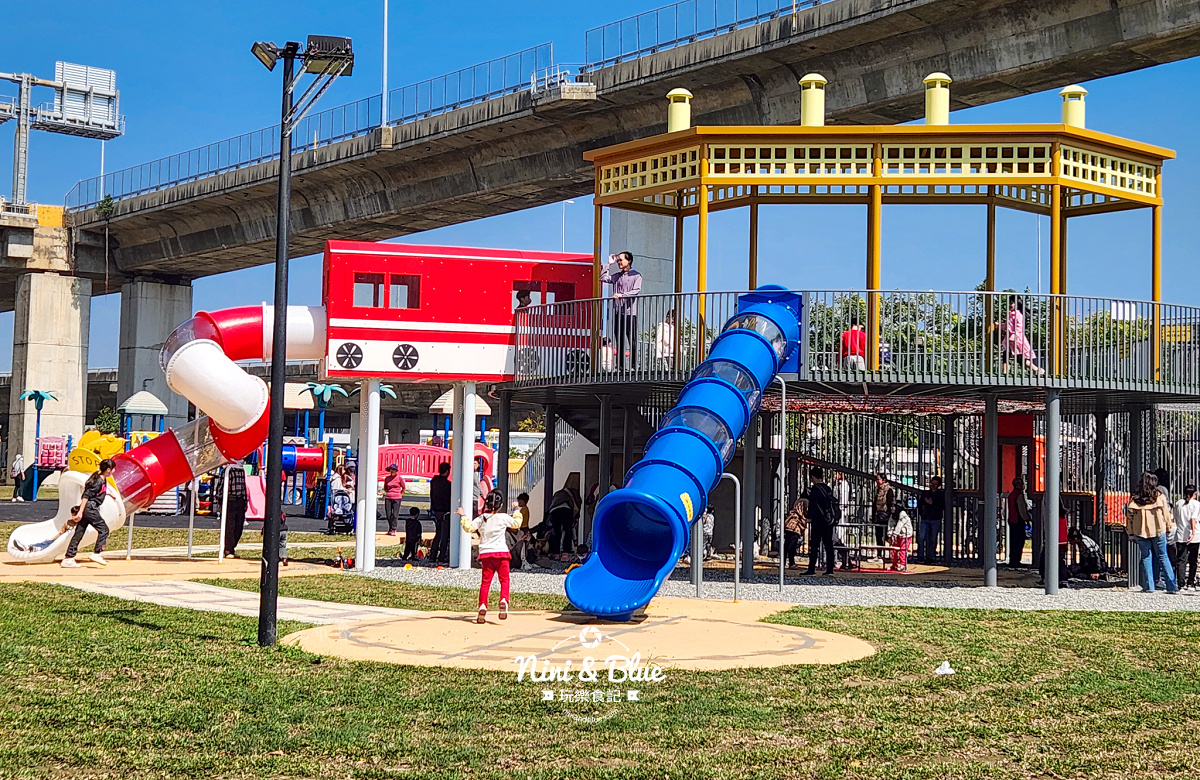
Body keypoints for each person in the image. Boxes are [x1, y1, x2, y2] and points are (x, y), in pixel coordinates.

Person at [459, 490, 523, 623]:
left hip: (486, 555)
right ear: (501, 505)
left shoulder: (481, 519)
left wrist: (463, 515)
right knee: (504, 580)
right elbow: (517, 524)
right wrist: (516, 509)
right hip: (502, 554)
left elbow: (468, 528)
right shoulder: (503, 517)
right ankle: (503, 600)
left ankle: (482, 605)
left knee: (485, 583)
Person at [1125, 471, 1178, 594]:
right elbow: (1166, 514)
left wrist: (1130, 533)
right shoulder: (1159, 497)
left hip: (1140, 531)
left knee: (1146, 557)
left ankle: (1149, 587)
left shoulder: (1135, 499)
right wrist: (1169, 527)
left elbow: (1130, 518)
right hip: (1158, 530)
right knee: (1163, 557)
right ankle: (1171, 586)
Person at [61, 459, 115, 568]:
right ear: (108, 470)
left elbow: (98, 493)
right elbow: (86, 496)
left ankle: (69, 558)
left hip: (89, 507)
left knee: (79, 532)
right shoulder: (98, 481)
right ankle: (97, 553)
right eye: (113, 469)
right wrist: (80, 511)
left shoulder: (102, 480)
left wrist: (108, 495)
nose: (114, 471)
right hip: (90, 508)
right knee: (104, 529)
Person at [600, 251, 642, 369]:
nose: (619, 262)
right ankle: (620, 365)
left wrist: (622, 295)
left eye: (621, 260)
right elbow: (603, 277)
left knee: (631, 338)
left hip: (630, 312)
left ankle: (634, 365)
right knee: (619, 338)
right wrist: (609, 264)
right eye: (618, 260)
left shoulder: (636, 276)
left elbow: (636, 290)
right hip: (619, 312)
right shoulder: (617, 276)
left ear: (628, 261)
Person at [803, 466, 840, 576]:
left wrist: (809, 516)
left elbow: (813, 505)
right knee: (828, 545)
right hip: (828, 521)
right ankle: (829, 569)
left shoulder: (815, 489)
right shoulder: (827, 489)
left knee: (814, 545)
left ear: (813, 476)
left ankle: (811, 569)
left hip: (818, 521)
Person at [1002, 297, 1043, 373]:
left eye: (1012, 303)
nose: (1010, 305)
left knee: (1021, 359)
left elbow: (1019, 326)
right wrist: (1000, 325)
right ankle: (1005, 371)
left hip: (1017, 340)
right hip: (1010, 339)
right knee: (1005, 354)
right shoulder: (1010, 315)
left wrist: (1015, 335)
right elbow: (1007, 326)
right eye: (1009, 303)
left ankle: (1036, 369)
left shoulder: (1018, 315)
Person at [1172, 485, 1200, 589]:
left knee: (1181, 560)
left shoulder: (1179, 503)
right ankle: (1190, 582)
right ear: (1194, 494)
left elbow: (1175, 517)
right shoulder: (1196, 504)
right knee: (1193, 560)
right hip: (1194, 535)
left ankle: (1180, 583)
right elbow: (1193, 518)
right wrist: (1192, 532)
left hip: (1180, 535)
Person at [219, 465, 248, 559]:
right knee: (229, 526)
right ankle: (228, 549)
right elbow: (221, 485)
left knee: (239, 526)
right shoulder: (228, 470)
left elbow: (243, 487)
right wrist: (220, 500)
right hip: (230, 500)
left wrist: (245, 500)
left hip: (240, 500)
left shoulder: (241, 470)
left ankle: (232, 547)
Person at [1038, 504, 1069, 587]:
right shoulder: (1062, 515)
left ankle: (1047, 577)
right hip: (1062, 540)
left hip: (1054, 540)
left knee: (1045, 559)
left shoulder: (1053, 515)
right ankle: (1062, 579)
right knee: (1060, 560)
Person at [917, 475, 945, 563]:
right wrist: (922, 513)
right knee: (921, 538)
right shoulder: (926, 493)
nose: (933, 486)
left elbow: (942, 507)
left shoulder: (940, 495)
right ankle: (920, 556)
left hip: (935, 518)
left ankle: (931, 557)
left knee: (933, 539)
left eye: (935, 484)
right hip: (925, 518)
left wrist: (932, 503)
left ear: (939, 485)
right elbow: (920, 504)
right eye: (932, 483)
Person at [428, 462, 452, 564]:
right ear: (447, 471)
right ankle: (442, 556)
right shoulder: (448, 485)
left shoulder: (434, 481)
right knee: (444, 535)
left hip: (436, 509)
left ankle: (432, 555)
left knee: (438, 534)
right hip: (445, 511)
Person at [546, 482, 578, 558]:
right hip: (566, 510)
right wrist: (574, 517)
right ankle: (566, 553)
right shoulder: (572, 493)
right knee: (568, 531)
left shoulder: (558, 493)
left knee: (556, 532)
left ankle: (556, 553)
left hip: (554, 511)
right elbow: (576, 507)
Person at [1006, 476, 1031, 567]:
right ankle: (1016, 561)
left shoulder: (1011, 495)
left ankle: (1013, 560)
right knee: (1019, 541)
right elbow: (1022, 510)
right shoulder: (1019, 496)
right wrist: (1027, 519)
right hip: (1018, 521)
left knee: (1013, 541)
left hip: (1012, 520)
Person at [784, 496, 808, 569]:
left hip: (789, 525)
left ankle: (783, 562)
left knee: (787, 544)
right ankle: (791, 562)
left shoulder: (797, 503)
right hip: (795, 527)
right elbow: (806, 512)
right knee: (792, 545)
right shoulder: (805, 502)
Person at [871, 473, 895, 548]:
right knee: (878, 535)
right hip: (878, 515)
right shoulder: (878, 490)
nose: (877, 481)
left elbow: (890, 502)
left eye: (879, 479)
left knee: (885, 534)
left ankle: (888, 550)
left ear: (883, 480)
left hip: (885, 515)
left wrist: (888, 513)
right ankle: (879, 552)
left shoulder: (889, 490)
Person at [889, 505, 914, 572]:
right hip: (898, 535)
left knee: (903, 550)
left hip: (906, 535)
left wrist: (894, 534)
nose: (892, 508)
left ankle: (903, 565)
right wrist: (890, 534)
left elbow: (900, 525)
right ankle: (894, 564)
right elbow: (890, 524)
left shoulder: (903, 514)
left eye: (894, 507)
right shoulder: (893, 515)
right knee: (894, 549)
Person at [383, 464, 406, 536]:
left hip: (397, 497)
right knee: (388, 514)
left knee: (395, 514)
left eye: (393, 469)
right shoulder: (387, 478)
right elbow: (385, 487)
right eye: (391, 469)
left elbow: (403, 487)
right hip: (388, 497)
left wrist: (400, 494)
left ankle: (393, 528)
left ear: (396, 471)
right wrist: (388, 492)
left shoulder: (399, 478)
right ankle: (390, 528)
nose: (392, 471)